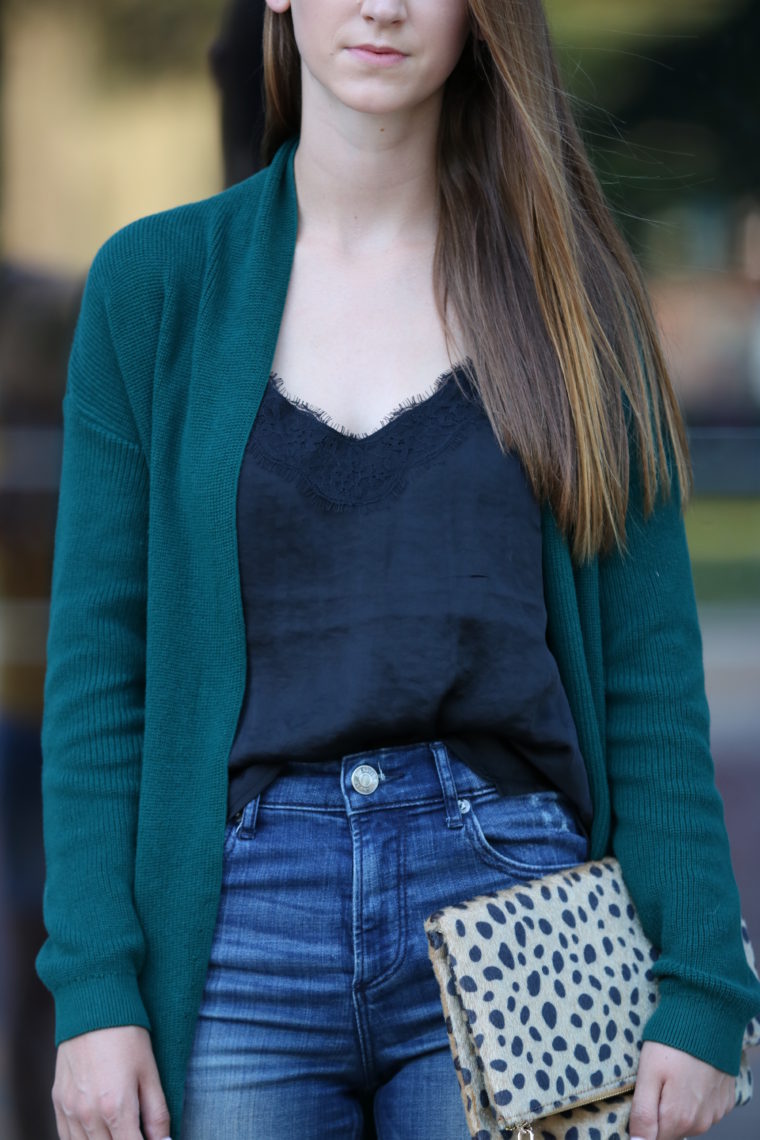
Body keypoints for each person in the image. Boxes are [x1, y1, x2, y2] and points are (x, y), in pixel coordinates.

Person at [36, 2, 760, 1139]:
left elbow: (648, 679)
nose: (384, 5)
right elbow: (96, 679)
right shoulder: (155, 289)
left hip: (514, 904)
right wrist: (94, 991)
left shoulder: (576, 300)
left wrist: (705, 984)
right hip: (237, 926)